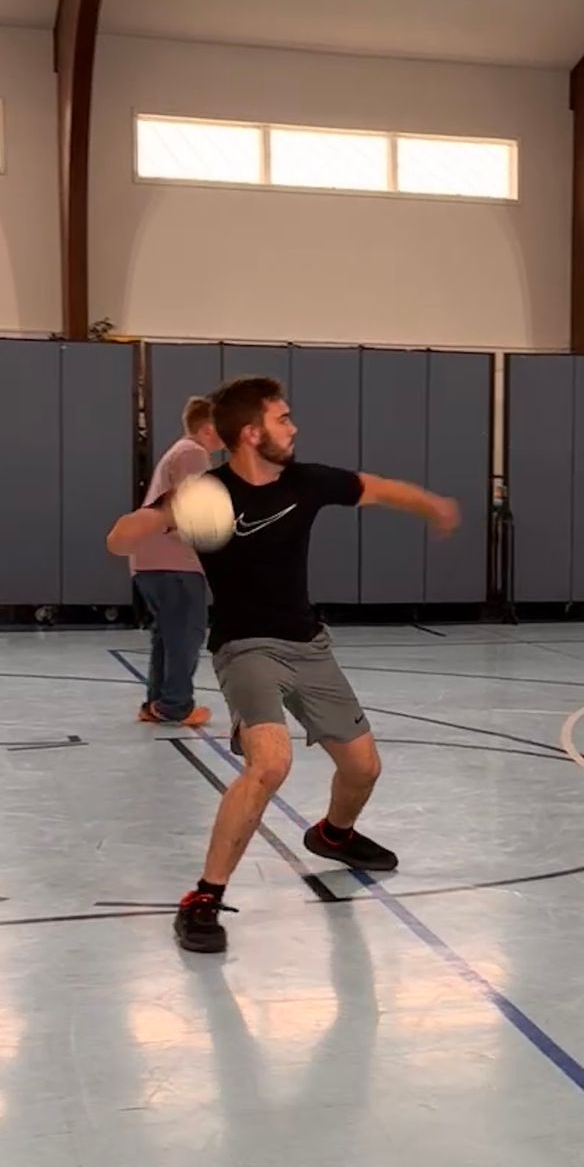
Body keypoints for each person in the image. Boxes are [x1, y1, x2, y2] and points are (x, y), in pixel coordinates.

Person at [106, 373, 458, 957]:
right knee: (270, 764)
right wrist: (161, 517)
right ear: (252, 432)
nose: (293, 428)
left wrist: (432, 505)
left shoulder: (307, 482)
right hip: (245, 646)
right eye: (283, 418)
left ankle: (333, 836)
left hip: (308, 644)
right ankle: (203, 898)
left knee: (364, 769)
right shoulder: (209, 491)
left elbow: (377, 488)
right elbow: (121, 538)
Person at [130, 395, 219, 728]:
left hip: (150, 560)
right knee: (185, 634)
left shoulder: (178, 452)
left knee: (168, 634)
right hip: (174, 562)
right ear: (209, 428)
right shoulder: (193, 454)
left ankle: (157, 702)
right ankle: (176, 705)